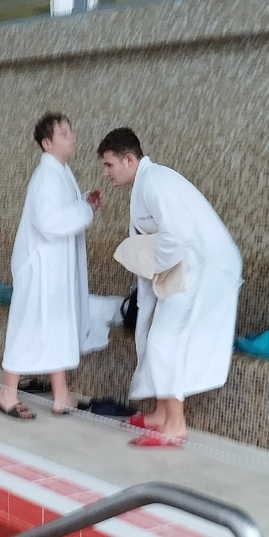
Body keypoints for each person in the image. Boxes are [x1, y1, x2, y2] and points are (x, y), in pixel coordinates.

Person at [97, 128, 242, 447]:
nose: (105, 173)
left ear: (129, 159)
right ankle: (162, 414)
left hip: (207, 269)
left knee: (164, 340)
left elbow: (175, 236)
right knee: (155, 334)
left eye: (109, 165)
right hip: (187, 268)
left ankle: (176, 425)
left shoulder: (155, 183)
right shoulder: (147, 183)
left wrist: (152, 265)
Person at [0, 113, 104, 419]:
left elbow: (61, 212)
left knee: (57, 326)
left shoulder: (59, 172)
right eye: (64, 132)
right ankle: (7, 392)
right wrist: (84, 208)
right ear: (47, 143)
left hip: (53, 269)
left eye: (71, 130)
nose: (72, 136)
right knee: (27, 326)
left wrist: (86, 203)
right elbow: (48, 221)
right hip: (40, 268)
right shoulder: (46, 176)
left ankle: (61, 395)